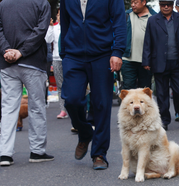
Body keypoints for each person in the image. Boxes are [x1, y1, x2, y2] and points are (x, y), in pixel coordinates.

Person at [60, 0, 126, 170]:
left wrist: (117, 51)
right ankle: (85, 131)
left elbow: (119, 21)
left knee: (101, 104)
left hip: (102, 55)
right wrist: (64, 52)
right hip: (73, 55)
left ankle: (99, 154)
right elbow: (65, 23)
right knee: (71, 99)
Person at [0, 0, 54, 166]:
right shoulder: (41, 3)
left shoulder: (3, 3)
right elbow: (40, 31)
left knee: (8, 107)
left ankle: (4, 153)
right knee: (36, 105)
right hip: (33, 61)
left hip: (7, 62)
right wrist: (22, 52)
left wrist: (7, 50)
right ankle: (37, 151)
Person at [142, 0, 179, 130]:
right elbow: (148, 41)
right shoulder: (152, 20)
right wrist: (146, 60)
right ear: (159, 5)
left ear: (173, 5)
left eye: (168, 4)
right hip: (160, 63)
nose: (166, 7)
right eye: (163, 4)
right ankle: (164, 120)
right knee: (162, 94)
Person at [122, 0, 157, 90]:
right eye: (131, 2)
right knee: (128, 90)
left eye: (136, 2)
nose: (133, 5)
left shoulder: (154, 17)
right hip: (128, 59)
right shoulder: (126, 15)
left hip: (146, 61)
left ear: (144, 2)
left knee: (144, 91)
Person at [45, 9, 68, 119]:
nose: (60, 16)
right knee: (60, 85)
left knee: (73, 83)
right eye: (58, 14)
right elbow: (48, 40)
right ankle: (63, 109)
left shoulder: (71, 25)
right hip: (57, 58)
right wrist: (49, 26)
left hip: (69, 58)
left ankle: (77, 107)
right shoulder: (54, 27)